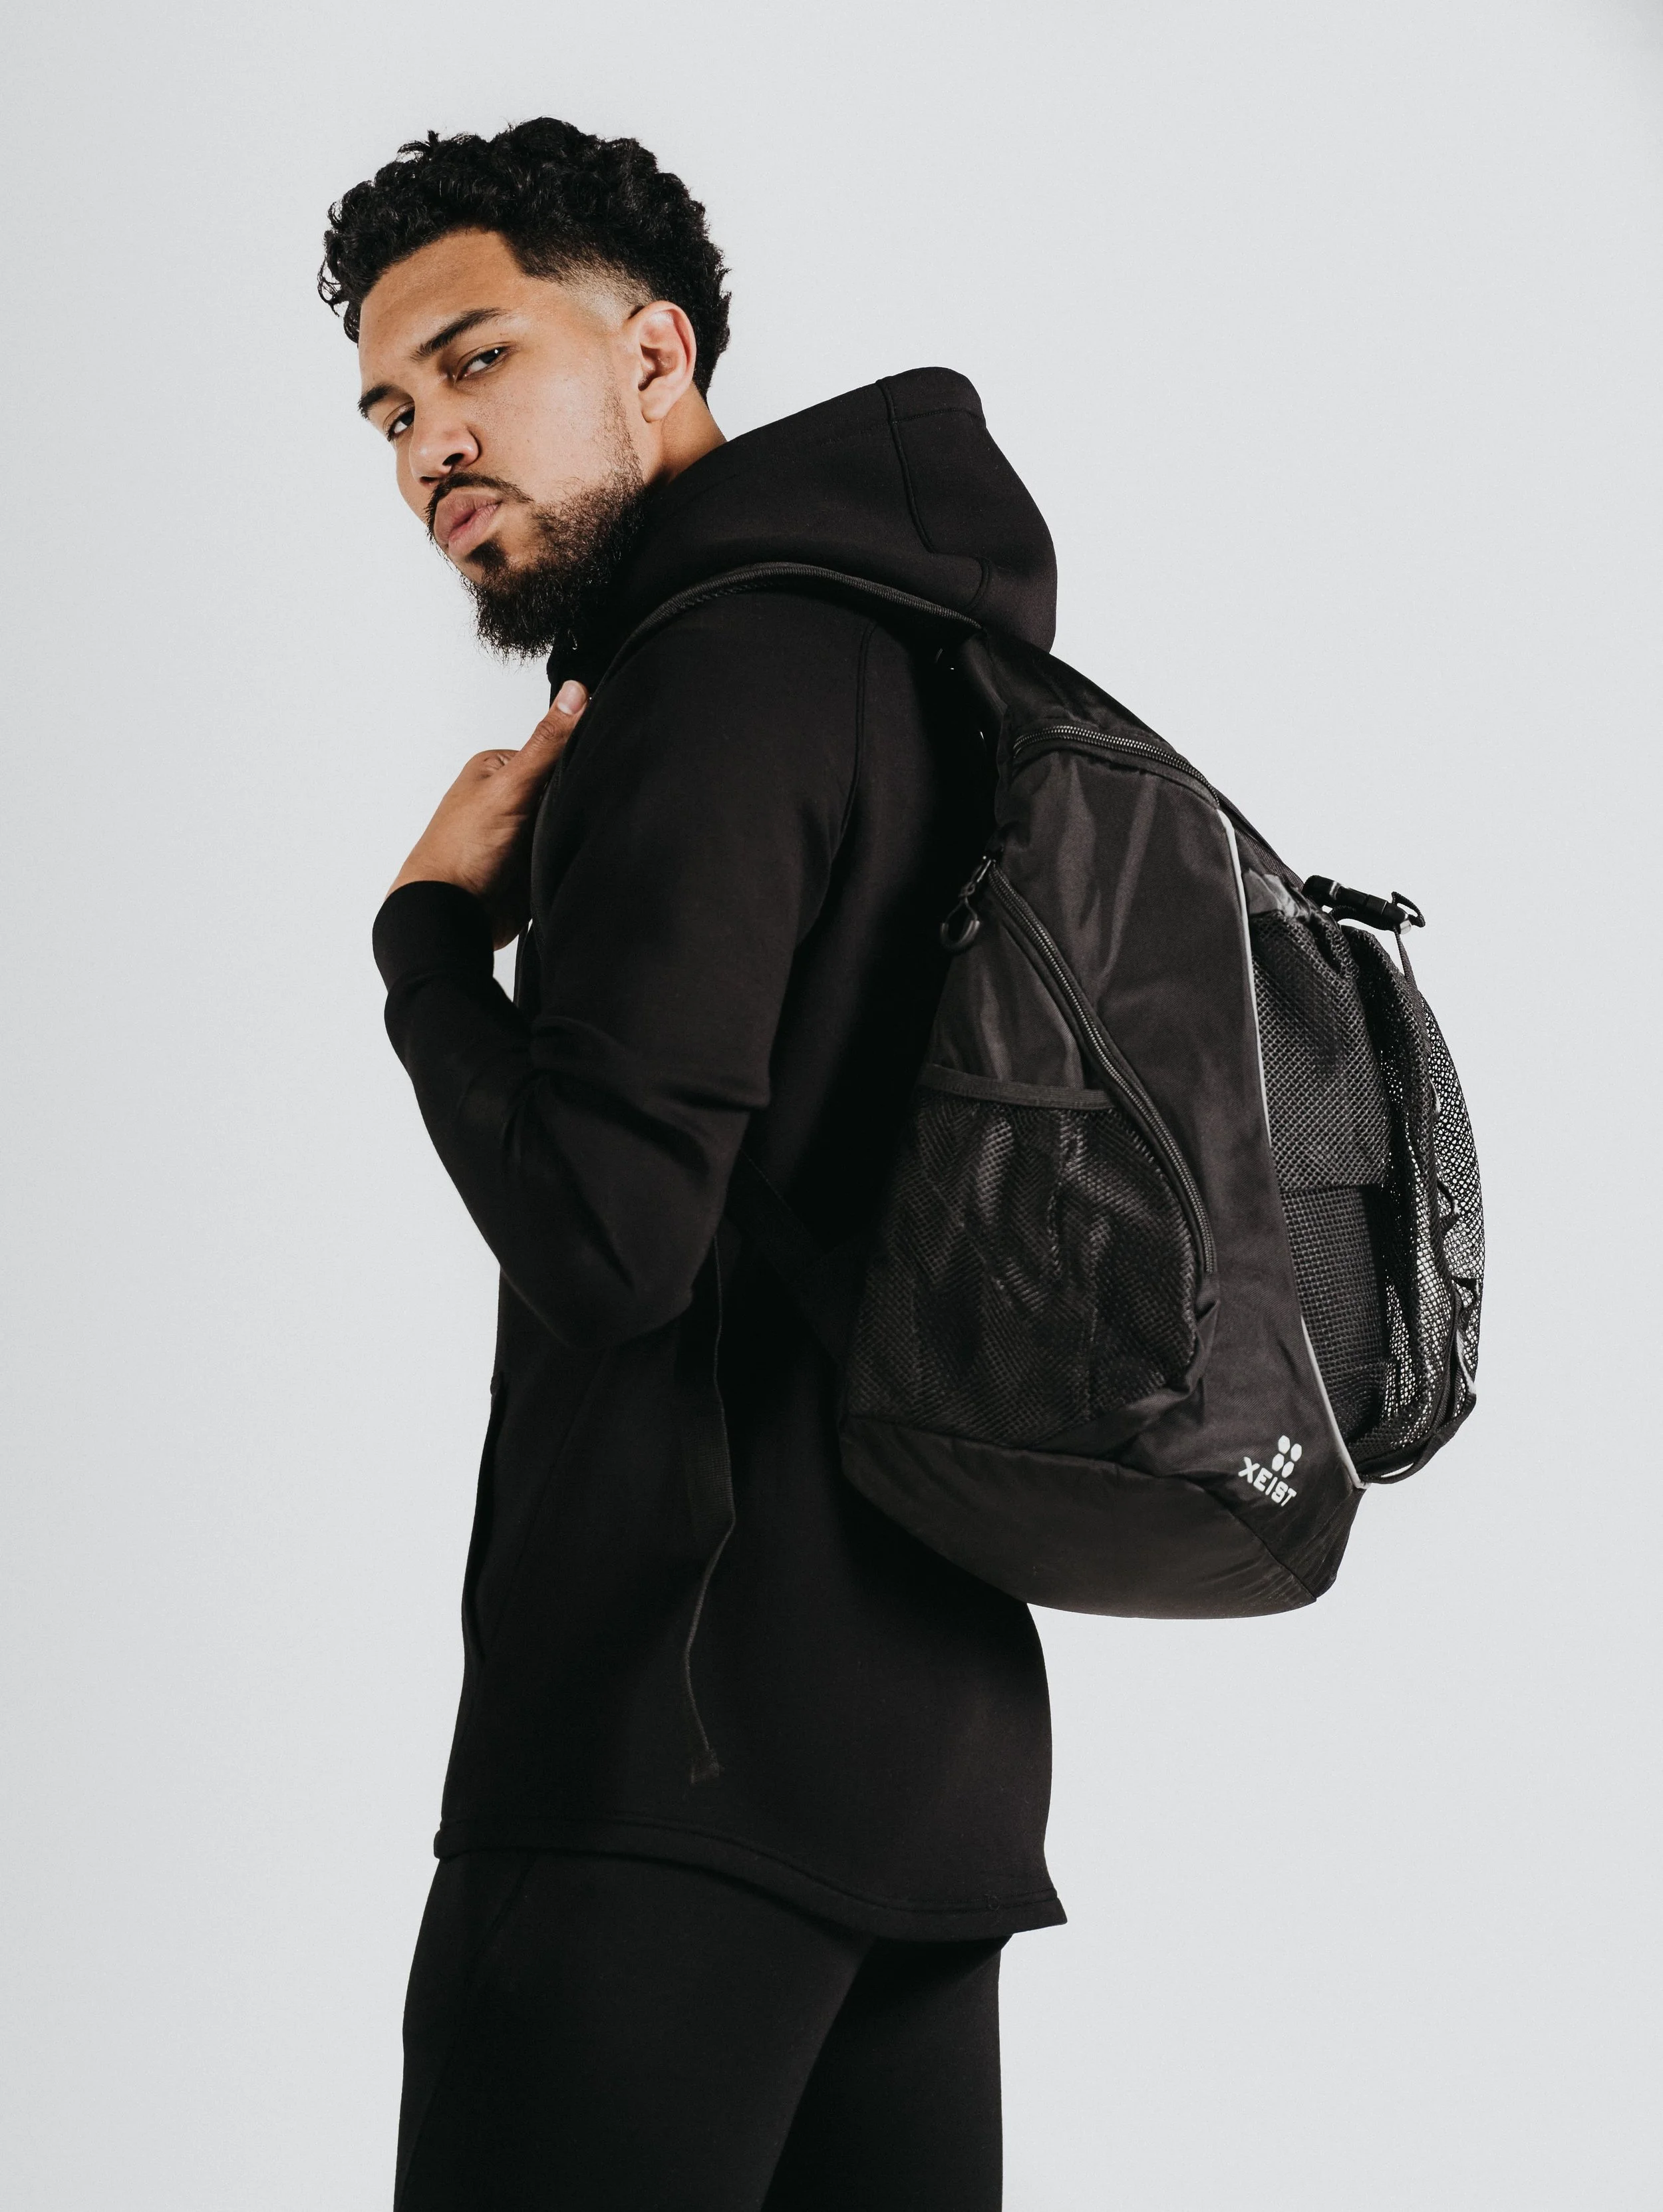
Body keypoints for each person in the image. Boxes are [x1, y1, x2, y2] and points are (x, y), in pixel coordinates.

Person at [323, 118, 1064, 2211]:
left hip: (666, 1751)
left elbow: (610, 1236)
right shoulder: (930, 661)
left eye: (477, 364)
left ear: (653, 353)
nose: (426, 449)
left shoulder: (707, 671)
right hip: (925, 1763)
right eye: (390, 412)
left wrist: (425, 951)